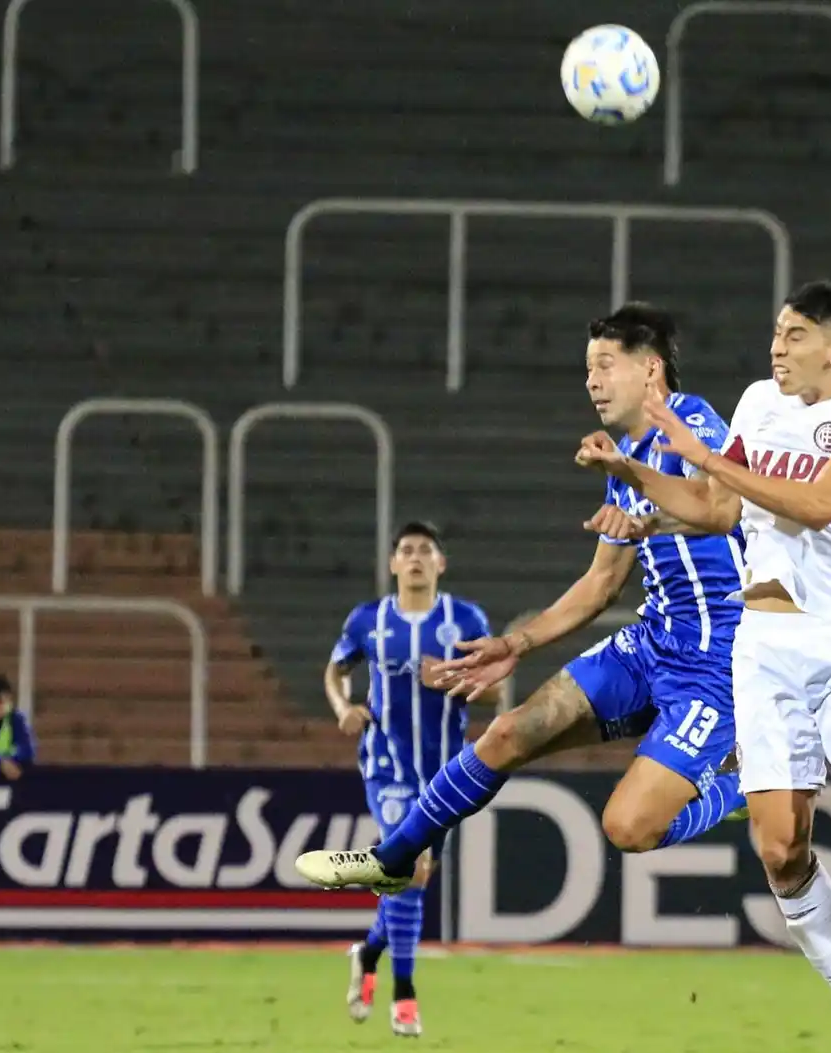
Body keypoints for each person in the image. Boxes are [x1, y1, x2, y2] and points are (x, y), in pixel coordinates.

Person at [578, 281, 831, 1053]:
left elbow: (816, 505)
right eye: (775, 332)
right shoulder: (757, 403)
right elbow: (720, 513)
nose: (776, 347)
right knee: (780, 850)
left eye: (794, 335)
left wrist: (696, 446)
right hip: (765, 650)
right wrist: (640, 478)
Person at [293, 302, 749, 895]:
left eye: (606, 365)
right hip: (650, 642)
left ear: (651, 370)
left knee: (629, 828)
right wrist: (516, 644)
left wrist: (637, 486)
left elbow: (719, 508)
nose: (592, 381)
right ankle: (395, 857)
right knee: (509, 732)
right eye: (589, 369)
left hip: (719, 663)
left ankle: (743, 784)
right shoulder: (622, 463)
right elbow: (600, 583)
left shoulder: (698, 425)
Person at [326, 519, 495, 1038]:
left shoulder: (465, 619)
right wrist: (342, 708)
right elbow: (336, 670)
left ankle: (368, 953)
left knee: (414, 875)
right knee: (412, 866)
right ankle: (405, 995)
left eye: (426, 550)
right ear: (394, 564)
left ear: (440, 563)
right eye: (407, 550)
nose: (416, 557)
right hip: (387, 764)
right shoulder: (368, 621)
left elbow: (491, 689)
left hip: (446, 770)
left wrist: (450, 676)